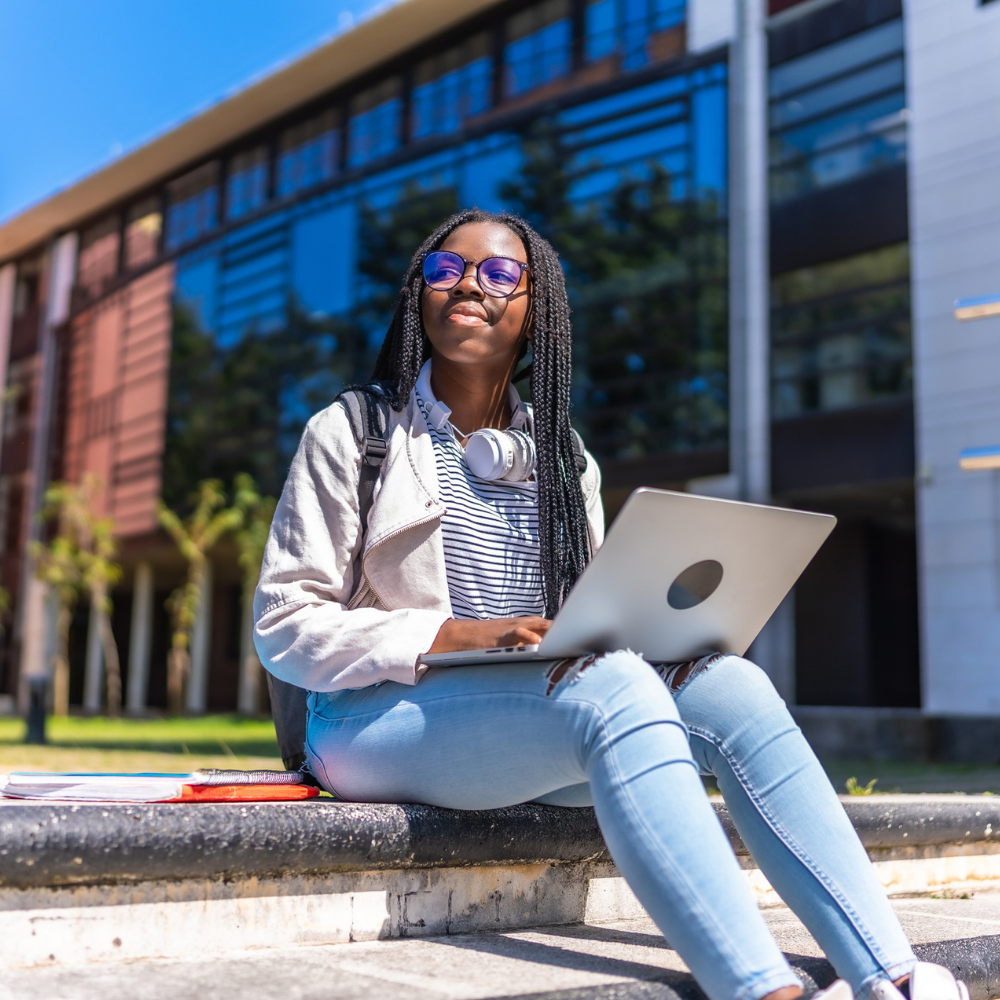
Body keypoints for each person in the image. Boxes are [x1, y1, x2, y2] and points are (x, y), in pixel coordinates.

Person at [254, 209, 966, 1000]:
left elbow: (589, 622)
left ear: (537, 312)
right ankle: (761, 989)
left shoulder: (566, 461)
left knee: (729, 683)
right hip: (372, 723)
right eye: (444, 270)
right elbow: (285, 626)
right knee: (617, 690)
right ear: (418, 293)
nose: (466, 286)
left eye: (497, 275)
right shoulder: (353, 433)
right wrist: (458, 634)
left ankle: (891, 975)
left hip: (527, 727)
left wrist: (657, 643)